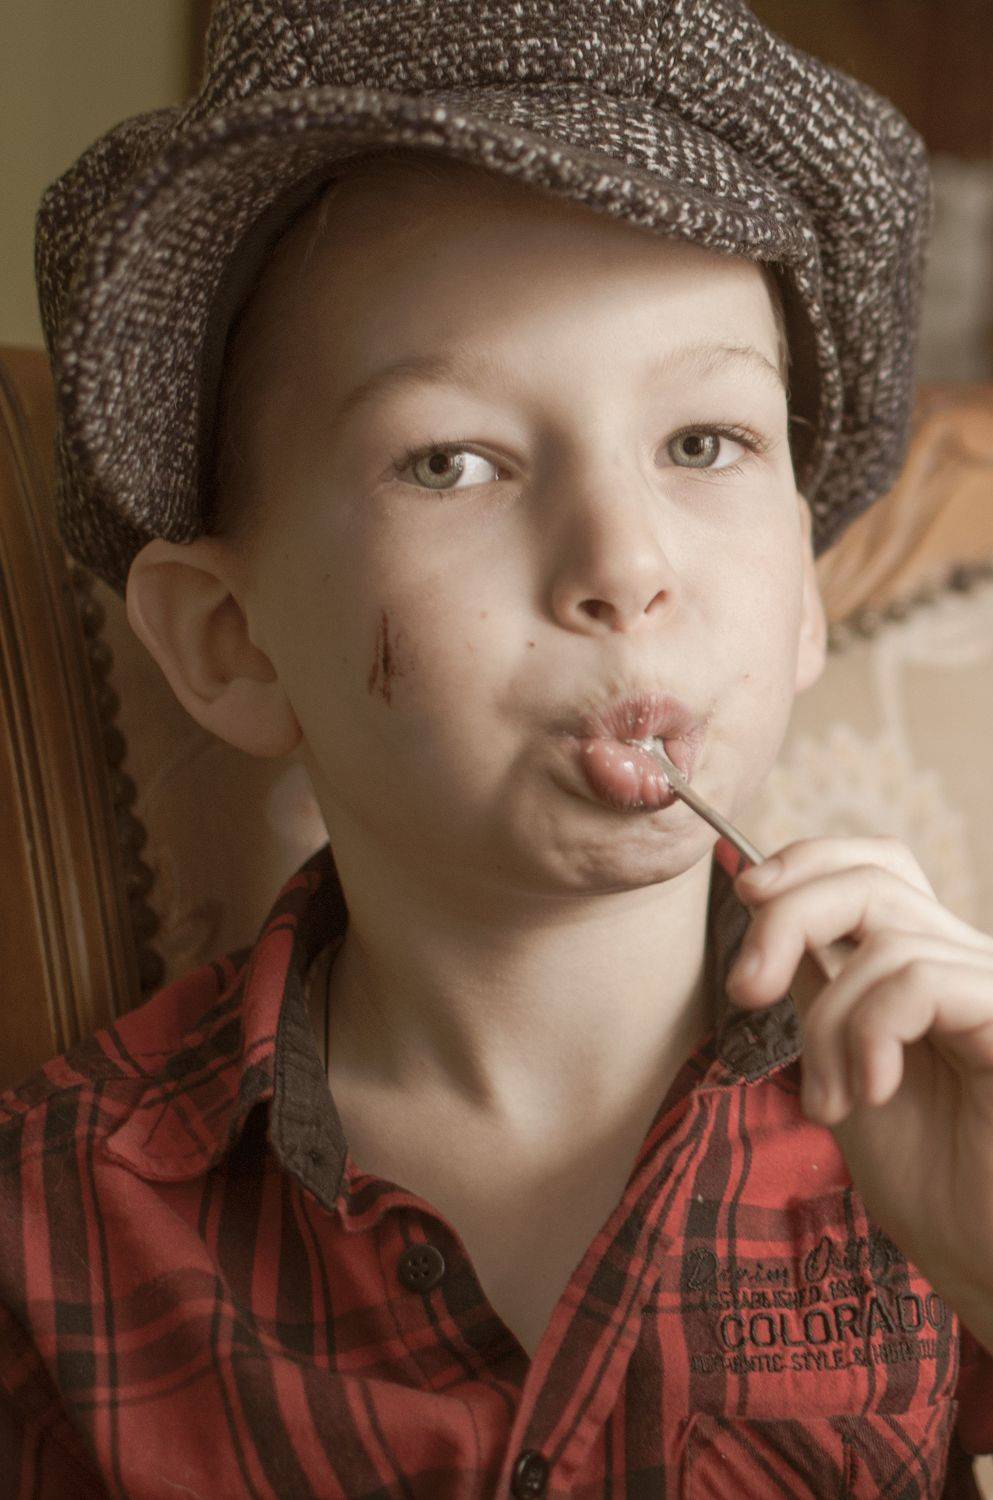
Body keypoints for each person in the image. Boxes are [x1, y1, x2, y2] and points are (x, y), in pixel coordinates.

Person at [3, 1, 992, 1495]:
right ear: (229, 642)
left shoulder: (960, 1119)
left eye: (704, 442)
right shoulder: (54, 1231)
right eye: (451, 461)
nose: (623, 565)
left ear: (804, 586)